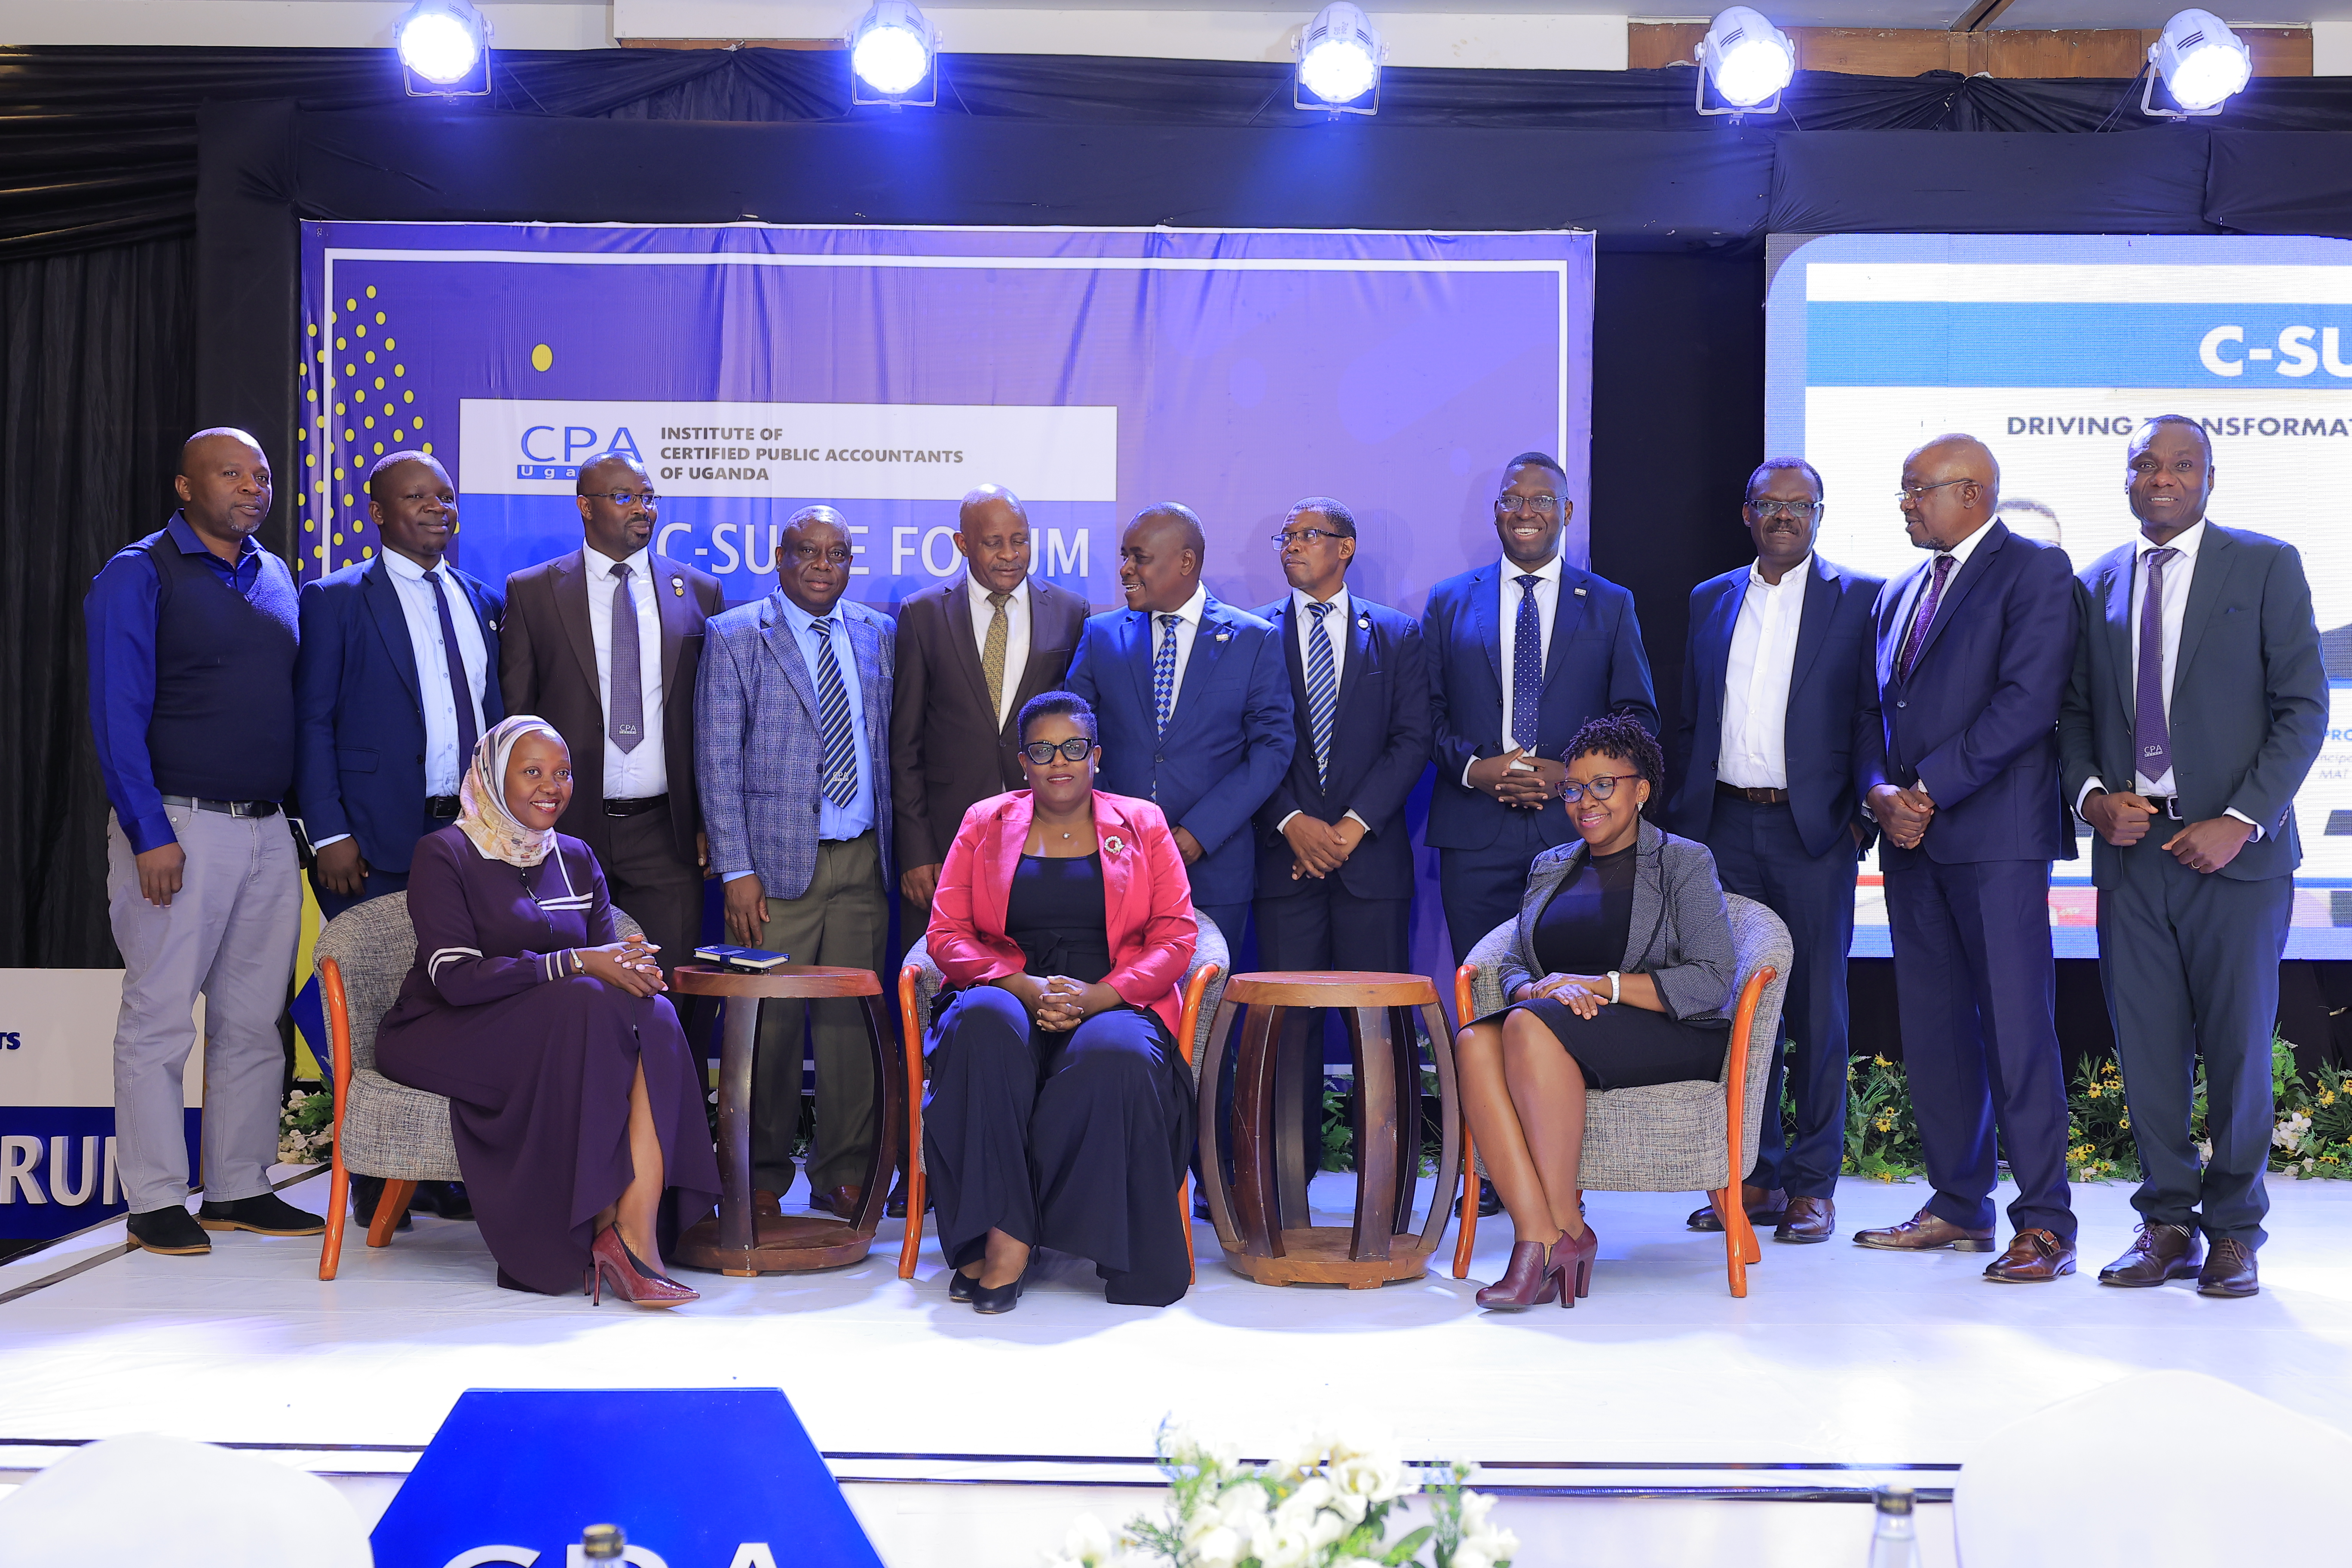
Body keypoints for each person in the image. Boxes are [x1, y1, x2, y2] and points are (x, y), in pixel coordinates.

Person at [2059, 416, 2326, 1300]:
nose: (2162, 479)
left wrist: (2243, 818)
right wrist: (2094, 798)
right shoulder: (2097, 578)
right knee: (2148, 1050)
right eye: (2146, 464)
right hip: (2133, 857)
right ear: (2127, 477)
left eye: (2181, 465)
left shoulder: (2266, 564)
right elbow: (2075, 714)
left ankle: (2236, 1232)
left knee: (2240, 1049)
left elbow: (2303, 708)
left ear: (2209, 478)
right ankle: (2166, 1223)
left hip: (2235, 859)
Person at [375, 717, 721, 1304]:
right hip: (445, 1029)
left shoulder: (577, 858)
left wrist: (635, 970)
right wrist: (579, 963)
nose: (551, 786)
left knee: (655, 1013)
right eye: (531, 772)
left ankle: (633, 1234)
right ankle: (599, 1231)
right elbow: (455, 980)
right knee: (586, 998)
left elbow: (604, 960)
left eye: (562, 773)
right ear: (491, 777)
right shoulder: (446, 854)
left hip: (553, 1026)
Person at [85, 428, 322, 1258]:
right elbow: (116, 717)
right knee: (159, 1019)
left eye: (260, 475)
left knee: (254, 1021)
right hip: (177, 829)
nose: (252, 487)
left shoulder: (276, 574)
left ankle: (238, 1185)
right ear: (184, 486)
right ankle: (154, 1199)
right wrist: (149, 833)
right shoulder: (138, 572)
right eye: (231, 473)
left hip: (265, 831)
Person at [1856, 434, 2082, 1283]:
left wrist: (1930, 791)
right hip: (1912, 846)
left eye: (1919, 490)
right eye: (1905, 491)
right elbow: (1873, 715)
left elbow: (2028, 702)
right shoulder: (1900, 589)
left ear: (1975, 493)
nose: (1908, 504)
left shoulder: (2035, 573)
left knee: (2018, 1032)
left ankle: (2047, 1225)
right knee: (1938, 1034)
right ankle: (1958, 1205)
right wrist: (1881, 792)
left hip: (1996, 842)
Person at [922, 692, 1199, 1311]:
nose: (1059, 762)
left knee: (1118, 1058)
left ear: (1095, 756)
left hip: (1110, 994)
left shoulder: (1143, 822)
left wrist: (1102, 996)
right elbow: (944, 934)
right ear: (1023, 762)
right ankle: (1005, 1235)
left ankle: (1027, 1234)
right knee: (984, 1027)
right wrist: (1018, 985)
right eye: (1042, 751)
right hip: (1008, 986)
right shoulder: (984, 821)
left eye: (1073, 748)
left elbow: (1178, 934)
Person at [1453, 714, 1738, 1311]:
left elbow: (1712, 979)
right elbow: (1511, 965)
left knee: (1528, 1029)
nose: (1586, 802)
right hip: (1560, 1025)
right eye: (1574, 788)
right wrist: (1533, 991)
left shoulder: (1684, 862)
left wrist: (1602, 985)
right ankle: (1546, 1234)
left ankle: (1555, 1235)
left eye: (1604, 785)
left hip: (1666, 1030)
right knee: (1474, 1042)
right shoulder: (1551, 866)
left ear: (1641, 790)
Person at [1664, 459, 1880, 1245]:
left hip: (1812, 832)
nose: (1784, 516)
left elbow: (1873, 718)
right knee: (1736, 1010)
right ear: (1746, 512)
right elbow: (1690, 717)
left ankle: (1813, 1184)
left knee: (1817, 1008)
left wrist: (1856, 818)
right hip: (1721, 829)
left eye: (1800, 505)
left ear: (1820, 514)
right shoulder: (1709, 597)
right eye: (1769, 504)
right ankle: (1749, 1173)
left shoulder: (1859, 598)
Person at [697, 507, 895, 1218]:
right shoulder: (734, 635)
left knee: (850, 1030)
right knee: (768, 1031)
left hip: (862, 859)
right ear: (779, 558)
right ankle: (760, 1174)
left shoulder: (878, 633)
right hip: (772, 870)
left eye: (837, 553)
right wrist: (735, 869)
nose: (822, 564)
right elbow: (717, 760)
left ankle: (843, 1169)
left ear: (850, 563)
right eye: (806, 551)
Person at [1250, 498, 1431, 1162]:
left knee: (1380, 1032)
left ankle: (1392, 1182)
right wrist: (1294, 824)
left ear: (1346, 548)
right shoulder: (1252, 634)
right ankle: (1279, 1179)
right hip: (1282, 863)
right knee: (1284, 1033)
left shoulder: (1398, 634)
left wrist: (1350, 829)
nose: (1291, 546)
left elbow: (1412, 741)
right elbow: (1249, 740)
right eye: (1285, 535)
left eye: (1307, 536)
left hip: (1372, 867)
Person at [1424, 452, 1657, 966]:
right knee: (1482, 990)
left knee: (1572, 992)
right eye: (1512, 499)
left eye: (1542, 500)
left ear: (1568, 511)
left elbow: (1637, 719)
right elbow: (1426, 712)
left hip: (1577, 828)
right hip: (1474, 837)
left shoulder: (1610, 603)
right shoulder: (1448, 602)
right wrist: (1473, 769)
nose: (1525, 511)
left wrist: (1574, 774)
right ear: (1496, 511)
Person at [499, 453, 724, 978]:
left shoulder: (698, 592)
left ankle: (670, 1067)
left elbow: (715, 722)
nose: (642, 509)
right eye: (624, 497)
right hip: (565, 830)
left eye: (648, 498)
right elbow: (515, 719)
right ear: (585, 506)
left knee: (668, 988)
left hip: (665, 834)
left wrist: (710, 820)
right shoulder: (533, 592)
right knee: (574, 987)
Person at [1065, 503, 1292, 946]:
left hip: (1215, 869)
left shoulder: (1252, 639)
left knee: (1201, 1009)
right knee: (1118, 1008)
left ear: (1186, 561)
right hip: (1114, 860)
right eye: (1124, 557)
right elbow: (1074, 740)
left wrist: (1197, 834)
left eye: (1140, 557)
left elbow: (1272, 748)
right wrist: (1120, 825)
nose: (1126, 570)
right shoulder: (1100, 635)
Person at [294, 452, 503, 919]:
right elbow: (312, 723)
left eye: (446, 497)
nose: (437, 507)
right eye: (417, 496)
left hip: (476, 836)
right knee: (378, 987)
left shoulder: (487, 602)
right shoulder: (334, 600)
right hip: (370, 846)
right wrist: (328, 834)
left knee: (461, 984)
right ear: (378, 512)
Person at [891, 484, 1087, 916]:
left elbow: (1079, 737)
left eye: (1019, 540)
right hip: (946, 839)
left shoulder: (1071, 612)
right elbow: (904, 748)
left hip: (1045, 835)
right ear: (963, 544)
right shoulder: (921, 615)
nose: (1010, 554)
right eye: (993, 542)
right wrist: (916, 850)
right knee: (941, 974)